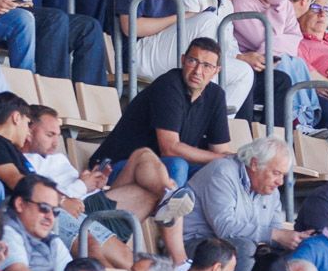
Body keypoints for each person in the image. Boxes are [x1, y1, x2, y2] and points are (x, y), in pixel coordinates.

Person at [92, 39, 231, 187]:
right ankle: (170, 208)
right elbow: (170, 149)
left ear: (217, 71)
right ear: (183, 60)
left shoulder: (216, 96)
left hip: (160, 166)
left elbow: (220, 151)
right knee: (178, 165)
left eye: (207, 66)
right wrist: (222, 158)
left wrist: (234, 160)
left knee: (220, 171)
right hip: (113, 167)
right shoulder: (168, 85)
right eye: (192, 61)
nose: (198, 71)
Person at [182, 138, 305, 271]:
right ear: (254, 164)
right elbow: (224, 228)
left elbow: (274, 233)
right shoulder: (222, 172)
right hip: (196, 244)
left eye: (283, 175)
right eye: (276, 173)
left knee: (294, 252)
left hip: (231, 245)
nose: (280, 182)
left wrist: (296, 239)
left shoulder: (271, 191)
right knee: (245, 248)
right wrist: (275, 234)